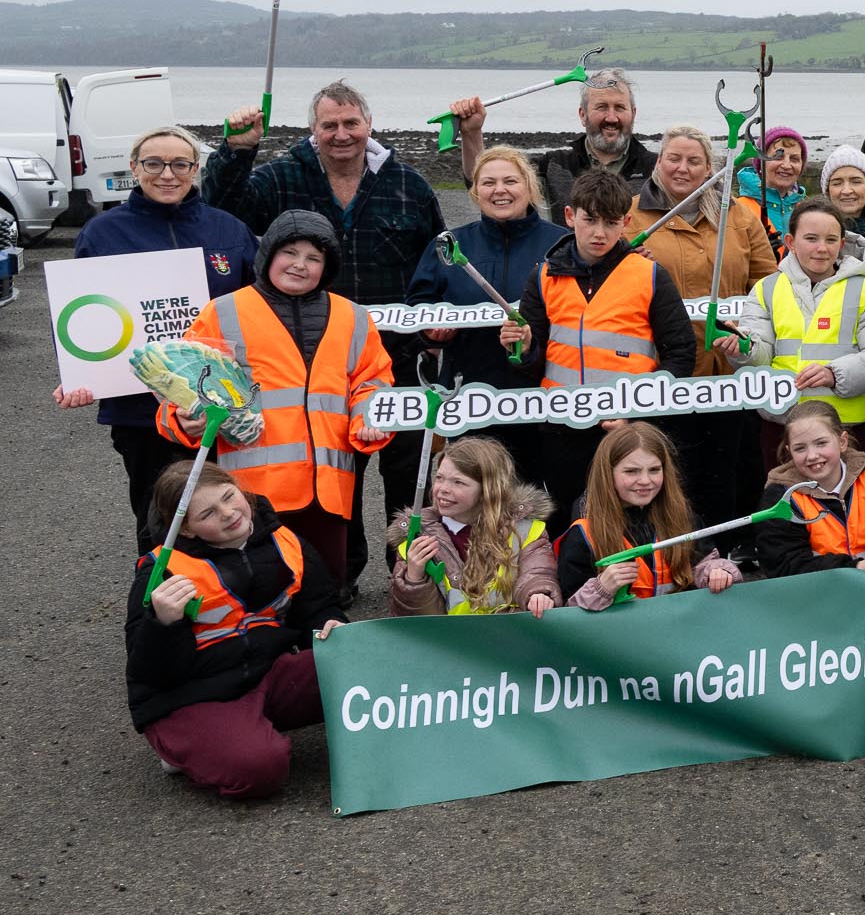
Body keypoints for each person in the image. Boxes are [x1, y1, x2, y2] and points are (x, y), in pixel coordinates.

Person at [205, 81, 443, 580]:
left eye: (350, 123)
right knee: (336, 476)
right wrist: (236, 151)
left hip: (398, 362)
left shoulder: (409, 185)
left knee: (408, 478)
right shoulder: (281, 177)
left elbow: (437, 264)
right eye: (329, 125)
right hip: (317, 362)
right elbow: (224, 209)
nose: (341, 134)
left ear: (368, 125)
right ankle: (341, 575)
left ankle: (407, 574)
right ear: (313, 130)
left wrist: (434, 326)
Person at [160, 209, 394, 580]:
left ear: (327, 267)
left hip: (327, 490)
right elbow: (184, 383)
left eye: (313, 258)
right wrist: (182, 420)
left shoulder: (353, 317)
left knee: (324, 588)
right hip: (250, 494)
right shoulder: (223, 312)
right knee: (263, 590)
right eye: (290, 252)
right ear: (268, 254)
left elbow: (373, 379)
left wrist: (368, 417)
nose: (300, 265)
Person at [53, 125, 256, 542]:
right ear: (134, 167)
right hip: (141, 414)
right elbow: (84, 317)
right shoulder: (102, 233)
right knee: (159, 515)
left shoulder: (229, 230)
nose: (168, 174)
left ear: (195, 169)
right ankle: (158, 599)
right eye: (154, 163)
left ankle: (235, 598)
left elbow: (257, 309)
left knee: (233, 508)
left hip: (222, 404)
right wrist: (78, 376)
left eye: (180, 164)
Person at [126, 461, 344, 800]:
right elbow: (148, 673)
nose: (229, 513)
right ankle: (178, 745)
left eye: (230, 496)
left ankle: (249, 727)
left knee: (363, 662)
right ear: (186, 530)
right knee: (262, 768)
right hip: (196, 694)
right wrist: (163, 623)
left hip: (267, 673)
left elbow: (319, 607)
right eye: (208, 513)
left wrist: (331, 627)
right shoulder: (162, 573)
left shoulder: (285, 542)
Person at [505, 168, 697, 513]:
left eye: (610, 222)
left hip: (630, 428)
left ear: (625, 222)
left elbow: (680, 353)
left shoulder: (650, 274)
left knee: (634, 521)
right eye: (589, 220)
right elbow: (530, 364)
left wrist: (638, 414)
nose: (599, 232)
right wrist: (521, 348)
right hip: (561, 426)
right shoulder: (543, 276)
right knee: (570, 519)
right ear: (569, 216)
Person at [629, 124, 781, 530]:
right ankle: (678, 548)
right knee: (675, 464)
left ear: (709, 167)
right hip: (667, 370)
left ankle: (731, 548)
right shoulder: (631, 217)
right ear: (658, 162)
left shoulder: (739, 216)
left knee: (732, 464)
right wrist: (626, 263)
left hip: (730, 369)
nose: (683, 169)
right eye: (673, 159)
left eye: (694, 161)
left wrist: (748, 330)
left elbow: (769, 285)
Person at [757, 401, 865, 719]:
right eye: (800, 448)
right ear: (787, 450)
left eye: (821, 443)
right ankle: (823, 671)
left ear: (842, 441)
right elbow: (783, 569)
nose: (812, 456)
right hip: (815, 603)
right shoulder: (779, 496)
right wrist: (853, 568)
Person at [406, 145, 566, 481]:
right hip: (468, 397)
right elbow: (419, 302)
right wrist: (432, 329)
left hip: (543, 399)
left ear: (529, 187)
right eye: (488, 183)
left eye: (510, 180)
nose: (500, 190)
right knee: (473, 495)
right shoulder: (450, 245)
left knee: (535, 502)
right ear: (475, 191)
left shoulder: (562, 244)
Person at [739, 195, 865, 448]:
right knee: (783, 490)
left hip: (845, 427)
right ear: (791, 242)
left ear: (841, 244)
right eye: (811, 239)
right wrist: (743, 349)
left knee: (848, 490)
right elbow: (759, 357)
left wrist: (834, 375)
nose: (821, 248)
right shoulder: (766, 290)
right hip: (782, 425)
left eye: (830, 240)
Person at [554, 421, 741, 609]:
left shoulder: (683, 518)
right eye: (631, 471)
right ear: (607, 474)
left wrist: (717, 572)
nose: (645, 480)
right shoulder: (584, 533)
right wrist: (602, 588)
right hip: (617, 635)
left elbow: (703, 564)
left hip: (677, 630)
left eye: (654, 470)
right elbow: (568, 609)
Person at [450, 66, 654, 222]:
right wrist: (471, 132)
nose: (611, 117)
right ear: (582, 115)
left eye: (619, 107)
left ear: (633, 114)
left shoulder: (658, 169)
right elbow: (480, 181)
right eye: (601, 107)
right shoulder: (554, 165)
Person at [385, 436, 560, 617]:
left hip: (508, 635)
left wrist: (538, 594)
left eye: (458, 482)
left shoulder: (525, 530)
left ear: (488, 490)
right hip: (446, 640)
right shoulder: (415, 536)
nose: (443, 488)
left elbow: (537, 573)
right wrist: (414, 579)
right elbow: (411, 618)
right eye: (439, 478)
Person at [817, 145, 865, 285]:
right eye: (837, 183)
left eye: (856, 181)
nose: (846, 190)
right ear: (827, 191)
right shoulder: (810, 234)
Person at [736, 127, 810, 247]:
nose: (786, 165)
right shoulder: (738, 209)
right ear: (760, 163)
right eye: (778, 156)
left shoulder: (807, 211)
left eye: (794, 159)